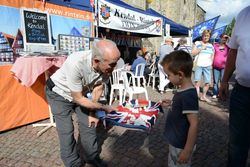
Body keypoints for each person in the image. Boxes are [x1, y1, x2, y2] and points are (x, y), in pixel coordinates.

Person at [45, 39, 120, 167]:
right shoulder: (76, 62)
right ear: (96, 61)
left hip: (80, 93)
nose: (115, 67)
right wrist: (104, 107)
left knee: (89, 125)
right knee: (66, 131)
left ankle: (92, 158)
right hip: (59, 93)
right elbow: (78, 99)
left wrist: (93, 113)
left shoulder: (106, 67)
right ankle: (73, 163)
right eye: (112, 64)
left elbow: (98, 86)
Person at [219, 6, 250, 167]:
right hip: (242, 92)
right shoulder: (244, 14)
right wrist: (224, 80)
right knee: (237, 145)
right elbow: (234, 52)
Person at [161, 50, 199, 167]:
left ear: (180, 75)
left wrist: (187, 150)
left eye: (169, 75)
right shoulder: (182, 89)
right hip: (176, 142)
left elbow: (194, 123)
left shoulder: (188, 95)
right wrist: (172, 104)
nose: (168, 78)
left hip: (181, 145)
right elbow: (182, 108)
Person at [191, 29, 214, 103]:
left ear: (209, 37)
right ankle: (196, 97)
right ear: (202, 36)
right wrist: (200, 49)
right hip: (198, 65)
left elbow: (212, 55)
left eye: (207, 36)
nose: (206, 37)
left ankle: (203, 96)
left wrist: (211, 63)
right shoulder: (197, 43)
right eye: (205, 36)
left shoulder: (211, 45)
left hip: (207, 66)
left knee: (207, 83)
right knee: (197, 82)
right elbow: (193, 53)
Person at [212, 33, 229, 99]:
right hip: (215, 66)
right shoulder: (215, 46)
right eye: (223, 37)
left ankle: (222, 94)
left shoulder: (228, 47)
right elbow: (212, 54)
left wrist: (228, 37)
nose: (224, 39)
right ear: (220, 38)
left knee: (223, 81)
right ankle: (215, 93)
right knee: (215, 81)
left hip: (224, 67)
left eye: (226, 38)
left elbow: (233, 44)